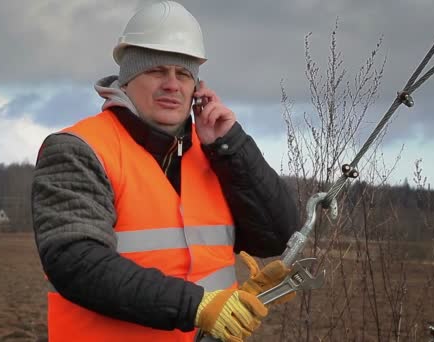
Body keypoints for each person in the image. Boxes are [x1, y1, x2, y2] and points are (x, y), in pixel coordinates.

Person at [31, 2, 300, 341]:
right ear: (127, 80)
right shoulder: (78, 149)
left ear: (197, 89)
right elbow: (78, 262)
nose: (172, 84)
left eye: (184, 73)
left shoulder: (215, 153)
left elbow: (276, 236)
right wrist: (197, 306)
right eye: (157, 70)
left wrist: (231, 145)